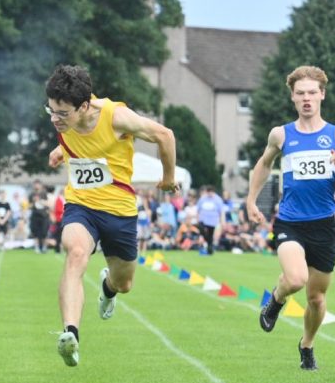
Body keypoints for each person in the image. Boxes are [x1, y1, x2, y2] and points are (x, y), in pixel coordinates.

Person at [45, 64, 178, 367]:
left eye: (62, 113)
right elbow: (78, 138)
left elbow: (164, 135)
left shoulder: (116, 117)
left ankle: (108, 289)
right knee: (76, 253)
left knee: (124, 283)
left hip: (119, 211)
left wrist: (168, 177)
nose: (55, 119)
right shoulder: (66, 121)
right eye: (51, 110)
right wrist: (60, 149)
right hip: (80, 206)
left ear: (84, 105)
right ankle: (71, 334)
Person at [245, 65, 335, 371]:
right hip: (291, 221)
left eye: (312, 93)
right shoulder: (281, 134)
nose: (307, 98)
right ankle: (276, 300)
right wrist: (251, 200)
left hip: (323, 224)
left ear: (322, 95)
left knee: (316, 298)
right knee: (295, 278)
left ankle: (307, 345)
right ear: (293, 97)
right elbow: (263, 165)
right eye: (300, 93)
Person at [195, 185, 223, 255]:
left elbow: (221, 211)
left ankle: (209, 249)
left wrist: (221, 221)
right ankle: (210, 245)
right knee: (202, 232)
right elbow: (198, 209)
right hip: (203, 220)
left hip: (212, 221)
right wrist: (197, 219)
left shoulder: (218, 199)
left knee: (210, 235)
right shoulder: (203, 199)